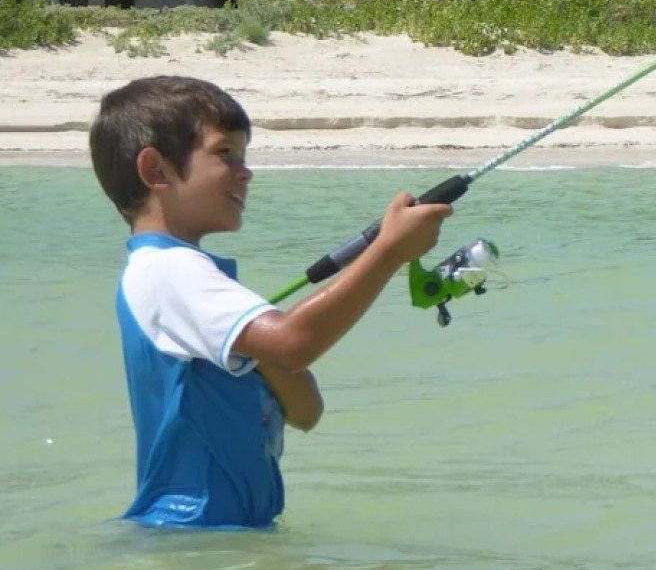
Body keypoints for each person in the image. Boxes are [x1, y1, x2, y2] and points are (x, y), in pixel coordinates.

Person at [89, 75, 453, 530]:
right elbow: (294, 343)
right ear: (156, 171)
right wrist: (389, 251)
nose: (246, 171)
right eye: (225, 154)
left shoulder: (184, 279)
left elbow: (306, 411)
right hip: (190, 538)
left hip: (220, 539)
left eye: (244, 156)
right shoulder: (169, 272)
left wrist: (264, 354)